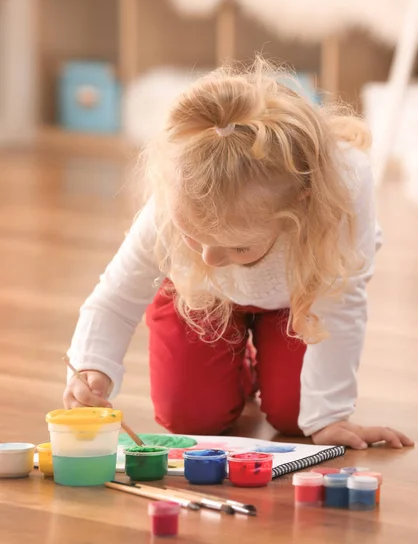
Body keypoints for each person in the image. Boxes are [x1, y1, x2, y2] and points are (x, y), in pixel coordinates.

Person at [64, 58, 413, 450]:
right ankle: (239, 367)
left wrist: (330, 415)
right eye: (195, 236)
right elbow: (116, 298)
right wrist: (92, 366)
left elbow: (341, 302)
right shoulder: (174, 201)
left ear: (301, 202)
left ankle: (258, 354)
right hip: (198, 296)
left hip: (297, 300)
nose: (211, 258)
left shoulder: (343, 190)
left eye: (238, 246)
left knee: (297, 419)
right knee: (191, 418)